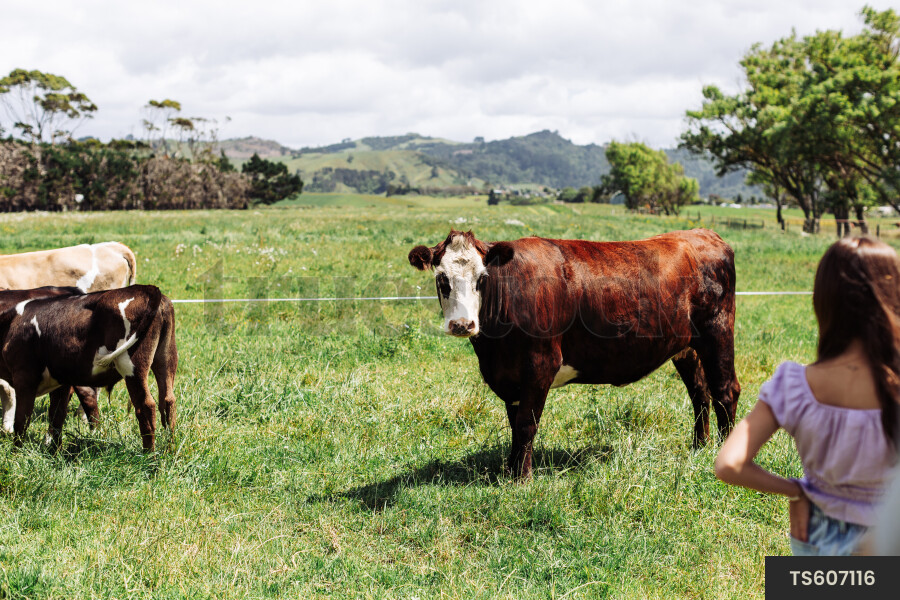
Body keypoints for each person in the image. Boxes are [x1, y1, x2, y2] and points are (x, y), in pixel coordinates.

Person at [715, 236, 900, 555]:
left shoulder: (794, 385)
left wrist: (797, 490)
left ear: (823, 300)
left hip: (816, 536)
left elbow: (728, 464)